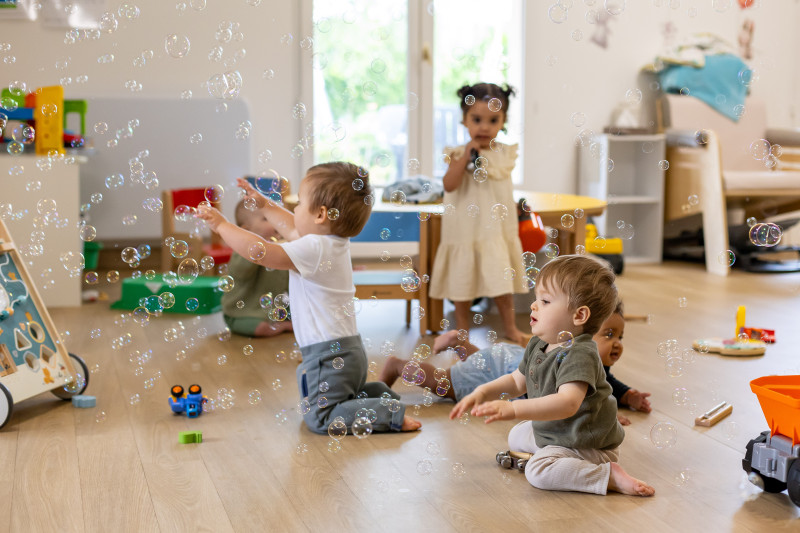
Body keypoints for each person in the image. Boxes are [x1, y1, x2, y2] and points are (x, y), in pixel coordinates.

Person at [197, 163, 421, 434]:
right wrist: (265, 204)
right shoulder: (330, 242)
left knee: (321, 418)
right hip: (347, 352)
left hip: (327, 356)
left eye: (300, 203)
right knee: (344, 395)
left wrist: (222, 226)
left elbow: (260, 251)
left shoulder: (313, 248)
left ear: (321, 214)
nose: (294, 210)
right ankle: (377, 396)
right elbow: (293, 228)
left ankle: (388, 412)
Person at [450, 255, 655, 497]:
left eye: (545, 301)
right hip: (561, 432)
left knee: (538, 472)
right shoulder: (539, 342)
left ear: (579, 316)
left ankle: (607, 475)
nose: (534, 306)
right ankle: (559, 459)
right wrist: (483, 392)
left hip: (588, 443)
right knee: (516, 435)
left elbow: (567, 404)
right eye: (537, 299)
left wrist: (514, 410)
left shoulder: (579, 352)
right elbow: (517, 381)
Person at [379, 301, 652, 425]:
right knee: (446, 383)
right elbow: (572, 402)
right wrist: (605, 413)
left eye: (619, 336)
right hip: (506, 367)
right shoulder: (573, 358)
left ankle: (460, 343)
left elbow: (605, 383)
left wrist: (628, 395)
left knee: (485, 364)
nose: (616, 343)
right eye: (608, 334)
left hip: (508, 359)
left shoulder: (581, 355)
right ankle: (397, 366)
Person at [428, 82, 529, 346]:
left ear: (503, 121)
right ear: (464, 121)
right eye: (476, 119)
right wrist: (465, 157)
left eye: (493, 120)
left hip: (495, 230)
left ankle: (509, 326)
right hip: (464, 231)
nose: (484, 127)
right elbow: (449, 185)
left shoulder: (505, 154)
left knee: (501, 281)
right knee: (462, 282)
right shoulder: (457, 153)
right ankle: (462, 331)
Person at [221, 199, 294, 337]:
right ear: (246, 230)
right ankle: (283, 326)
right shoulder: (243, 250)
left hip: (271, 309)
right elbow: (240, 272)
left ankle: (281, 322)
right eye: (266, 219)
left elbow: (287, 280)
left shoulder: (279, 248)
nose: (274, 222)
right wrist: (255, 248)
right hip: (241, 313)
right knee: (260, 328)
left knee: (305, 314)